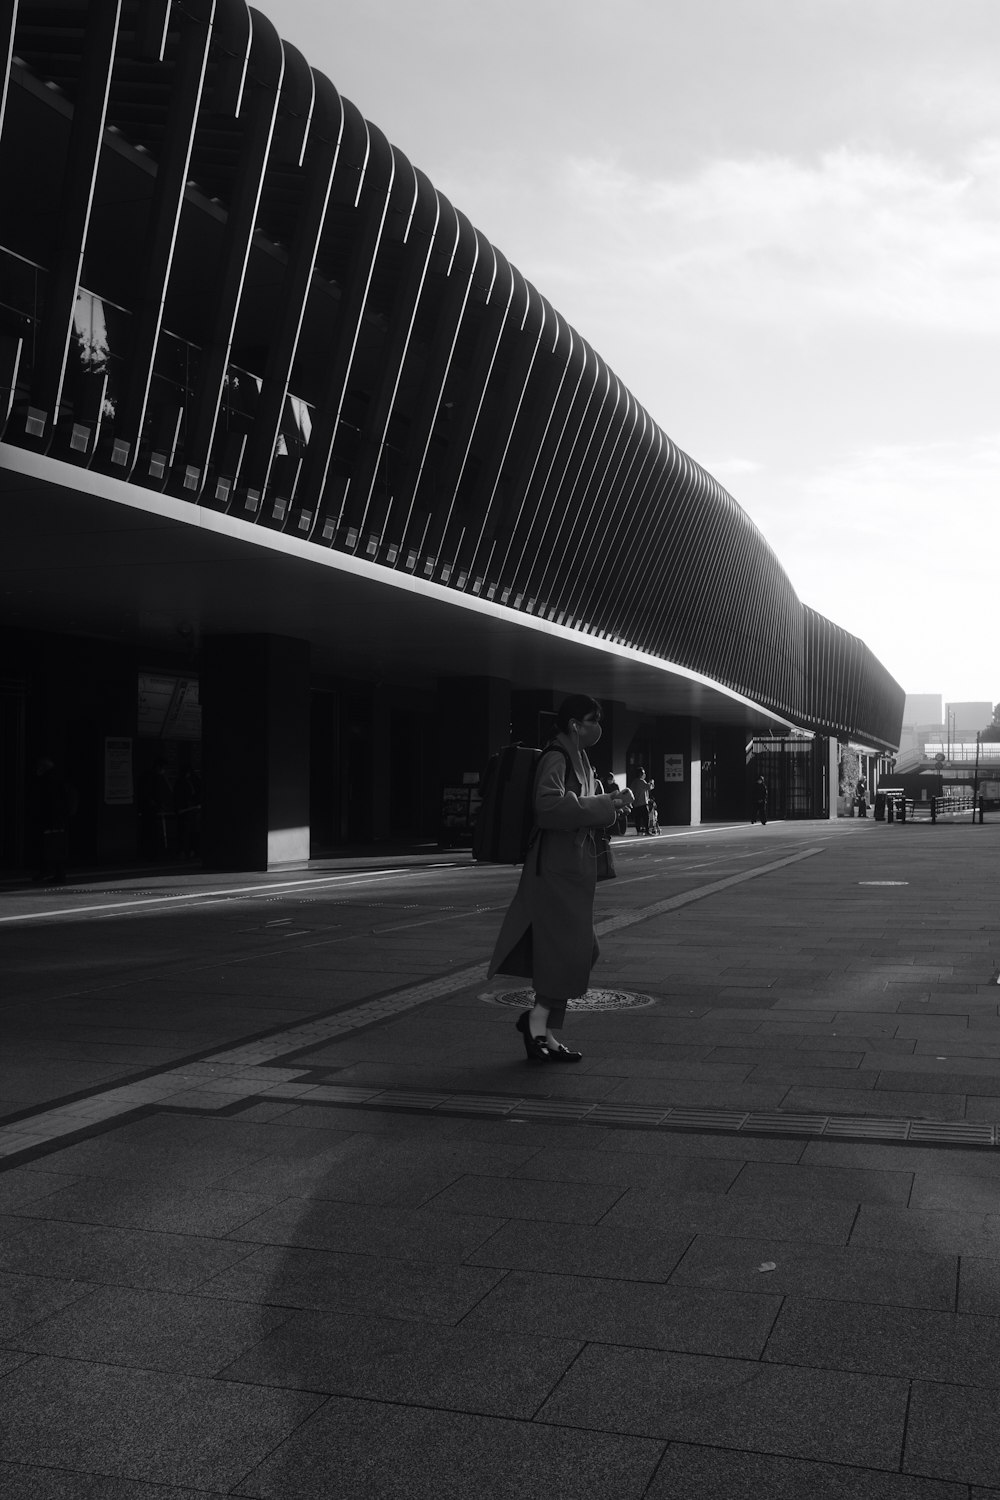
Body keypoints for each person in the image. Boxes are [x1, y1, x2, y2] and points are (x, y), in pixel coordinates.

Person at [488, 695, 634, 1062]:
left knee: (572, 952)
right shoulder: (557, 756)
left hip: (569, 869)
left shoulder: (580, 757)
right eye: (592, 720)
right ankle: (538, 1026)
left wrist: (615, 803)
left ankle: (539, 1026)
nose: (597, 728)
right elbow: (548, 807)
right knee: (571, 952)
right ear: (574, 724)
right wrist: (607, 804)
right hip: (554, 871)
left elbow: (588, 809)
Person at [629, 765, 652, 834]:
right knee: (645, 817)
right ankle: (647, 831)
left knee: (637, 818)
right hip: (643, 803)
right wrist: (651, 782)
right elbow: (649, 787)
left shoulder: (633, 782)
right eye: (643, 773)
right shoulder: (642, 781)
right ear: (640, 774)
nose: (644, 775)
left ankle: (638, 831)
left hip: (636, 804)